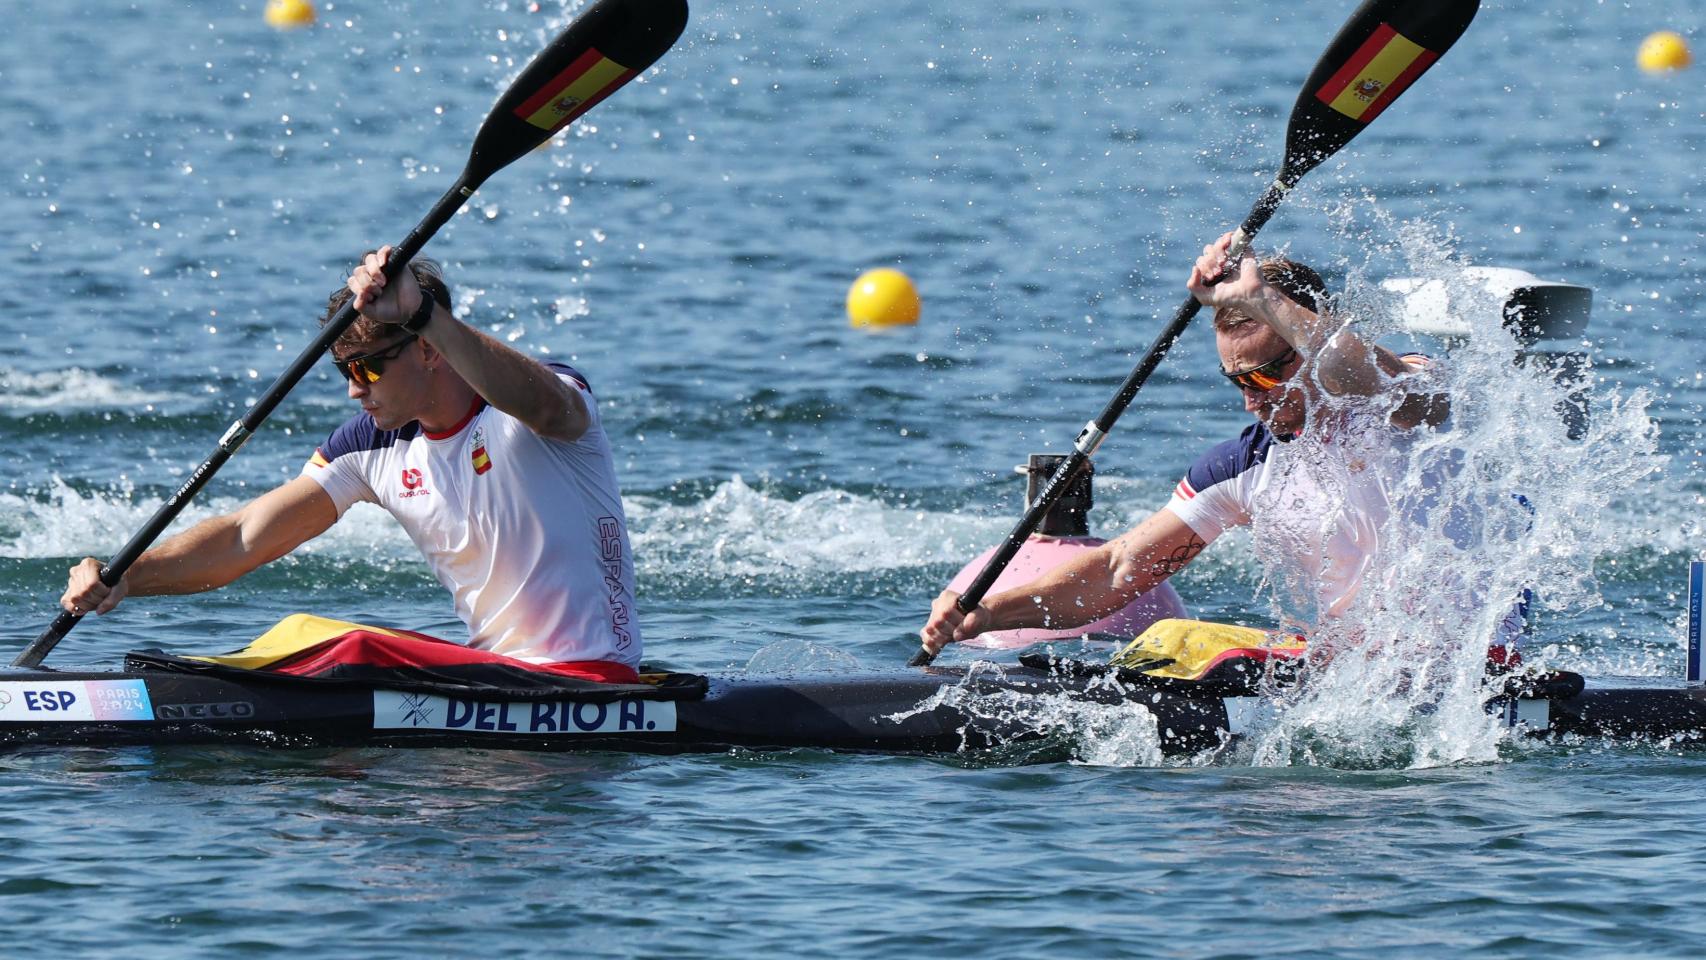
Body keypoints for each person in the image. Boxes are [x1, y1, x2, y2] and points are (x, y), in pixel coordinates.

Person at [61, 246, 642, 681]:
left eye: (366, 368)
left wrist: (424, 312)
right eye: (343, 372)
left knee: (350, 647)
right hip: (498, 681)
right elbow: (243, 538)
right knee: (309, 637)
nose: (353, 390)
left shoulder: (530, 407)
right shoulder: (370, 448)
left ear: (428, 350)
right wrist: (125, 577)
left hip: (590, 680)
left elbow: (546, 404)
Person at [919, 230, 1499, 661]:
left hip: (1472, 671)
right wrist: (987, 610)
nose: (1252, 402)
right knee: (1170, 649)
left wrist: (1263, 298)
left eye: (1265, 377)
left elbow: (1364, 373)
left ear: (1304, 339)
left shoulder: (1411, 401)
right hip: (1352, 677)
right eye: (1236, 382)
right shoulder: (1246, 466)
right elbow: (1119, 570)